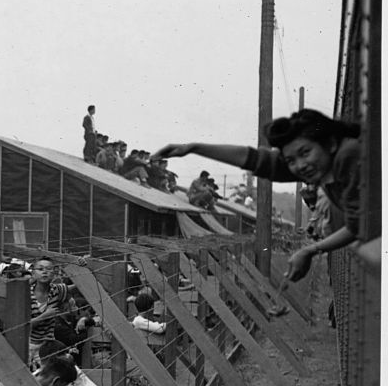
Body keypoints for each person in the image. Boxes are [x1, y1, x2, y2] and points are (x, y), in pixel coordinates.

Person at [152, 108, 366, 280]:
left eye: (305, 152)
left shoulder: (348, 156)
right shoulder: (325, 163)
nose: (300, 166)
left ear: (330, 143)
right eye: (291, 160)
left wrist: (310, 250)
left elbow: (358, 225)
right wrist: (193, 147)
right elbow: (258, 160)